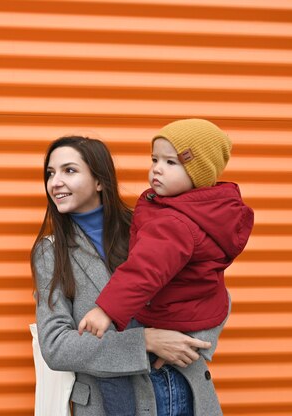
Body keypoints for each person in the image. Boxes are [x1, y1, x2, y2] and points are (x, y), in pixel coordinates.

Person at [31, 135, 227, 416]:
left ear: (99, 181)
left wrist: (191, 345)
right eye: (50, 174)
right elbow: (57, 345)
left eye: (69, 170)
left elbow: (213, 291)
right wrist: (145, 342)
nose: (55, 182)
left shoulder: (152, 226)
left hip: (185, 387)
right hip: (112, 403)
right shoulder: (50, 252)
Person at [78, 119, 254, 416]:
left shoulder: (174, 223)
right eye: (155, 159)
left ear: (199, 175)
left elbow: (144, 271)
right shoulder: (204, 211)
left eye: (171, 162)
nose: (157, 168)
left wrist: (105, 309)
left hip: (168, 330)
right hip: (191, 320)